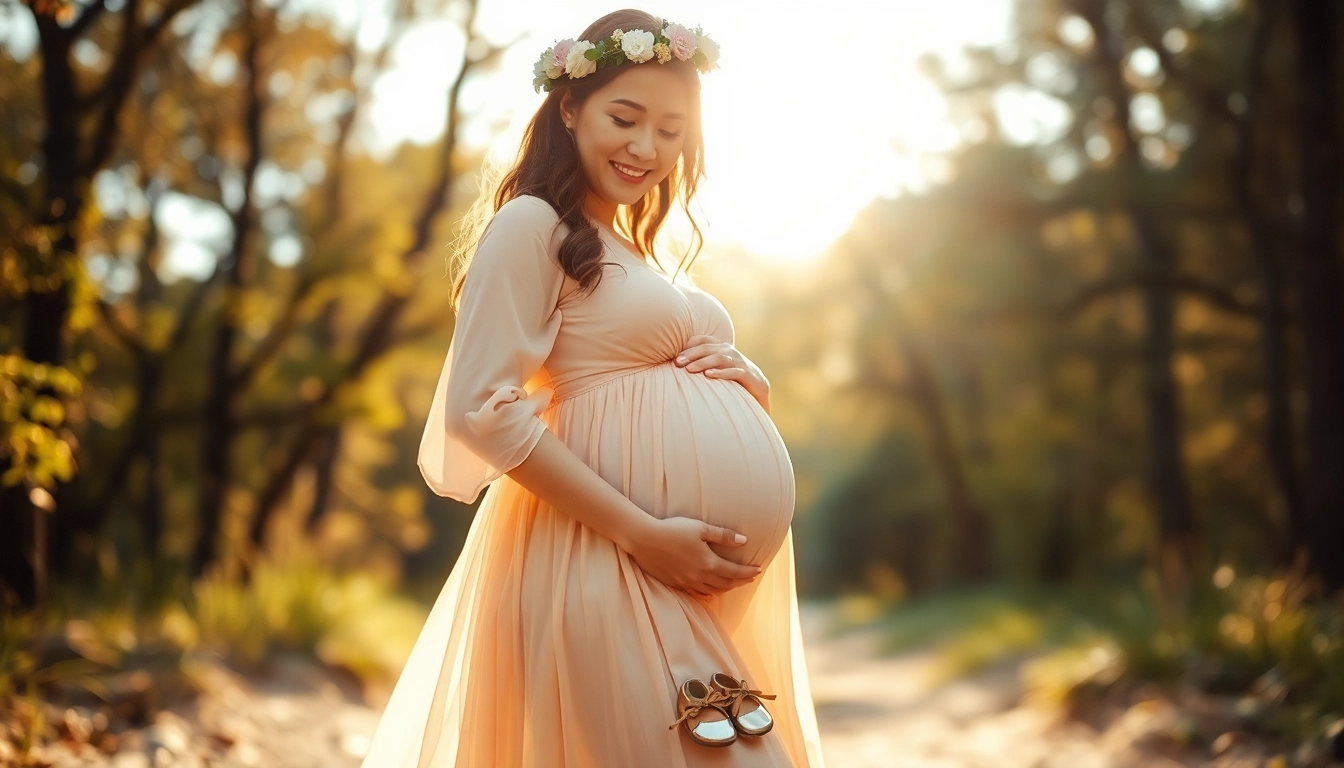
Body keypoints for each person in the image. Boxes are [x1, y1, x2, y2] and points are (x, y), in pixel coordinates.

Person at [360, 9, 824, 767]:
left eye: (671, 130)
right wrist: (642, 533)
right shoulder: (532, 224)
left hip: (672, 572)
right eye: (625, 118)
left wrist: (750, 395)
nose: (647, 148)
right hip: (600, 553)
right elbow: (480, 410)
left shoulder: (634, 249)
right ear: (570, 107)